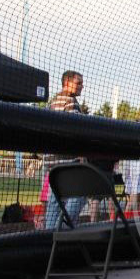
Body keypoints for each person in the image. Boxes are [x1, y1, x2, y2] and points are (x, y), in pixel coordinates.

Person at [43, 71, 88, 229]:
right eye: (79, 83)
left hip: (51, 162)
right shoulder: (70, 102)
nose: (82, 86)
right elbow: (76, 132)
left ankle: (50, 234)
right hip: (67, 160)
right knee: (81, 193)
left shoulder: (53, 101)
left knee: (55, 199)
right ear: (67, 83)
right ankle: (62, 229)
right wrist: (82, 153)